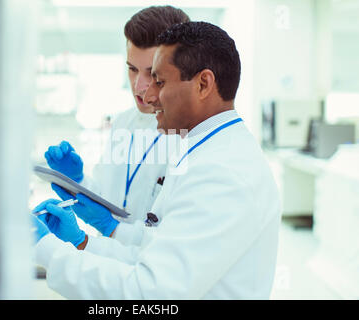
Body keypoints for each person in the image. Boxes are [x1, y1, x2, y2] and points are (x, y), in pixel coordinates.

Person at [31, 21, 281, 299]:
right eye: (134, 71)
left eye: (159, 82)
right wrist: (82, 242)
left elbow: (151, 292)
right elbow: (153, 250)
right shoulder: (205, 151)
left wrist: (46, 249)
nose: (148, 95)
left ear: (203, 84)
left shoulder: (220, 172)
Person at [44, 6, 190, 239]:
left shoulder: (190, 135)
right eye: (132, 69)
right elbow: (107, 198)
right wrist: (77, 180)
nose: (138, 86)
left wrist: (111, 228)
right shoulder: (124, 123)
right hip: (111, 265)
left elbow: (178, 243)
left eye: (152, 73)